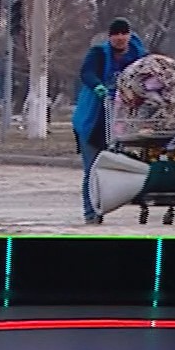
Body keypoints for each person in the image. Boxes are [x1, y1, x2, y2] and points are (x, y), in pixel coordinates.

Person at [71, 16, 147, 224]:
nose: (120, 38)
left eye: (124, 33)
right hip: (93, 119)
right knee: (92, 169)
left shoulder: (139, 57)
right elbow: (87, 73)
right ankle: (91, 213)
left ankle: (110, 203)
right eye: (116, 34)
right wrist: (98, 86)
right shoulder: (98, 53)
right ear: (110, 36)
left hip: (123, 122)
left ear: (129, 35)